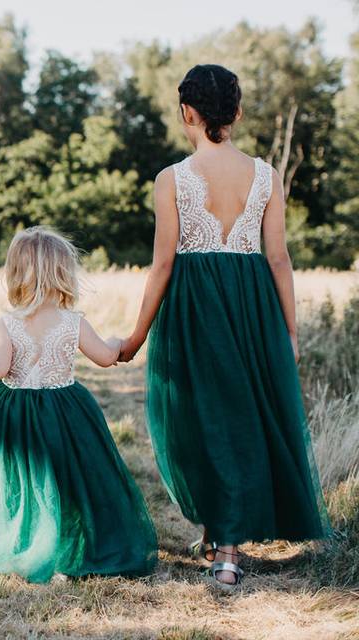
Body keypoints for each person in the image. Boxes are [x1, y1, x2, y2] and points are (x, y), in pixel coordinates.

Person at [118, 64, 330, 591]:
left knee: (208, 417)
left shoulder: (172, 179)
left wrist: (137, 335)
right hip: (253, 303)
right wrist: (289, 331)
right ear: (235, 113)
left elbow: (162, 265)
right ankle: (221, 530)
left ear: (186, 112)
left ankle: (228, 552)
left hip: (196, 306)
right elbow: (278, 259)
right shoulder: (266, 175)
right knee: (237, 416)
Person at [0, 226, 157, 583]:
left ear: (16, 274)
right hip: (65, 415)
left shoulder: (9, 323)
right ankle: (66, 549)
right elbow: (106, 357)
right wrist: (116, 342)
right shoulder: (72, 322)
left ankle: (28, 544)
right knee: (66, 479)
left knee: (23, 481)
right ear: (64, 274)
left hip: (17, 417)